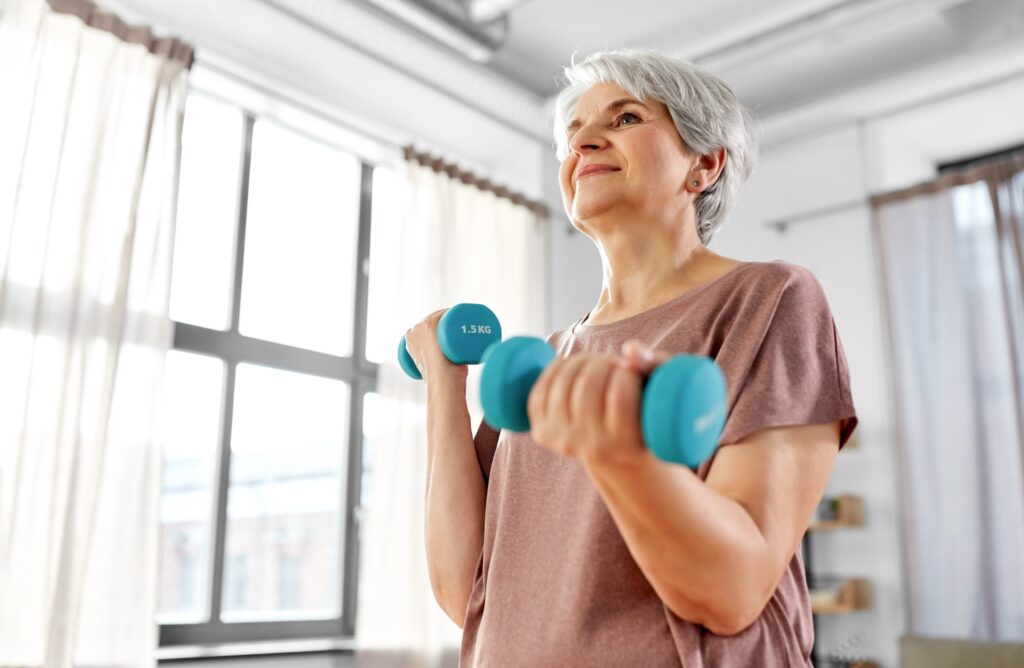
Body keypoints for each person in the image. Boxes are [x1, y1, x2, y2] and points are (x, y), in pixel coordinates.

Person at [404, 48, 858, 667]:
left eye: (624, 120)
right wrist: (442, 383)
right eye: (574, 134)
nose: (584, 142)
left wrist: (619, 452)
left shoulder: (769, 299)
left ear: (703, 165)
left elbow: (732, 590)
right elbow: (468, 596)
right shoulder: (543, 361)